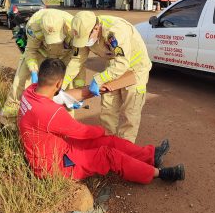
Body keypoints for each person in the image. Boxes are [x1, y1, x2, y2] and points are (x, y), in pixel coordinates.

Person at [18, 58, 185, 183]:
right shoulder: (50, 112)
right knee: (107, 154)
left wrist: (95, 90)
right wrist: (101, 130)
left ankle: (150, 155)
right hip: (53, 166)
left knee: (108, 140)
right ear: (60, 82)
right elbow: (83, 132)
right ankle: (158, 173)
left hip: (59, 147)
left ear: (40, 76)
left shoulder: (30, 91)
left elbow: (66, 95)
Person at [64, 11, 152, 143]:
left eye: (86, 38)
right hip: (112, 68)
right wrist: (62, 86)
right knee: (107, 111)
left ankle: (125, 150)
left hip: (135, 69)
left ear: (96, 28)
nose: (85, 42)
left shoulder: (115, 31)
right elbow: (77, 61)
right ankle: (108, 145)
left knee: (130, 114)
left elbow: (122, 64)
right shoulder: (84, 33)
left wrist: (98, 79)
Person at [1, 9, 86, 117]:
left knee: (66, 88)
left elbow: (78, 61)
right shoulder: (33, 26)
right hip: (41, 52)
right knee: (21, 78)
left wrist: (80, 90)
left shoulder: (73, 28)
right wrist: (33, 70)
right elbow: (30, 50)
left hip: (65, 56)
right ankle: (11, 112)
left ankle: (65, 118)